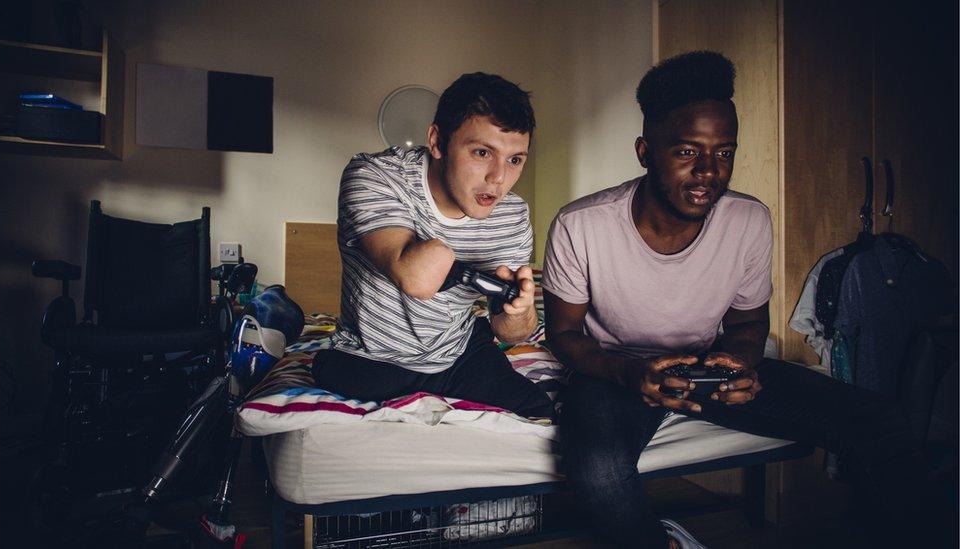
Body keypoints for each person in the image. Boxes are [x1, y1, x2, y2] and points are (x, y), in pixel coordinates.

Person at [542, 51, 953, 548]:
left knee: (877, 421)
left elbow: (748, 322)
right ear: (645, 151)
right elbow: (563, 335)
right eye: (688, 152)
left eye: (725, 152)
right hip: (617, 372)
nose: (709, 172)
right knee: (598, 471)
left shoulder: (748, 220)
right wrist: (629, 373)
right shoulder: (581, 224)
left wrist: (739, 364)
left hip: (708, 364)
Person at [313, 72, 554, 420]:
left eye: (515, 160)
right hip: (370, 358)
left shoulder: (513, 214)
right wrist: (457, 260)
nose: (498, 178)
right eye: (482, 152)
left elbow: (512, 333)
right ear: (437, 141)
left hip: (457, 353)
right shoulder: (375, 175)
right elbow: (415, 276)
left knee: (540, 415)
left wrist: (519, 309)